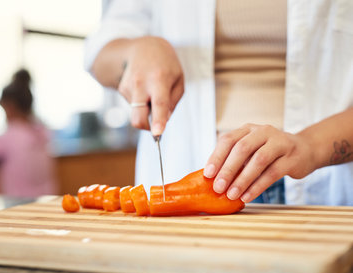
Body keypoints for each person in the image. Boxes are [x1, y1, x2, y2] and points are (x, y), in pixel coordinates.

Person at [84, 0, 353, 205]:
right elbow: (100, 50)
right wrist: (135, 50)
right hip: (188, 175)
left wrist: (310, 146)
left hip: (326, 181)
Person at [0, 69, 57, 205]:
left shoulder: (11, 135)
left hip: (17, 203)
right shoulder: (41, 130)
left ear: (10, 107)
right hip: (47, 200)